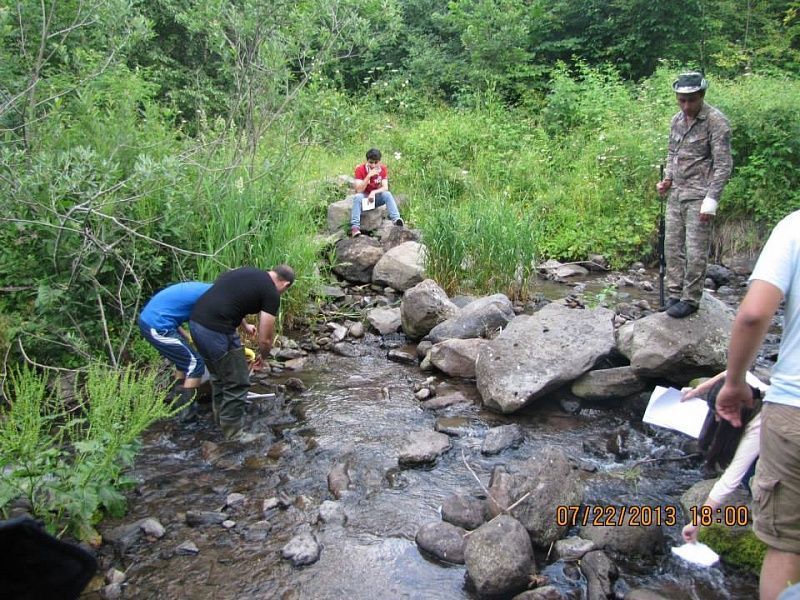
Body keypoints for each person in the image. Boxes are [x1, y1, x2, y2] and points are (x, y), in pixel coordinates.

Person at [714, 209, 800, 600]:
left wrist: (734, 382)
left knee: (787, 548)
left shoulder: (794, 227)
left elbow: (752, 314)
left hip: (793, 407)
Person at [656, 72, 732, 319]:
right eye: (681, 100)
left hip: (700, 195)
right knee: (672, 246)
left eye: (691, 100)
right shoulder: (677, 120)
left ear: (701, 96)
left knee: (696, 250)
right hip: (677, 193)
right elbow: (672, 153)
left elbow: (723, 164)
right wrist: (667, 179)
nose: (686, 106)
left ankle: (691, 299)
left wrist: (712, 199)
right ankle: (674, 293)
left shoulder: (716, 122)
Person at [188, 265, 294, 441]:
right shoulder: (271, 292)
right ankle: (234, 435)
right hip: (215, 331)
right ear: (285, 284)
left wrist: (244, 325)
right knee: (238, 382)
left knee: (219, 377)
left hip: (196, 323)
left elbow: (229, 298)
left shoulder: (247, 271)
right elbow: (265, 338)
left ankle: (220, 422)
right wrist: (263, 357)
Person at [680, 371, 767, 544]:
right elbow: (728, 374)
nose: (717, 419)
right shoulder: (746, 384)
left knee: (748, 471)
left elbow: (730, 480)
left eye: (720, 414)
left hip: (781, 443)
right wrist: (697, 390)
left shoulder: (758, 426)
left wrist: (697, 521)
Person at [138, 281, 212, 420]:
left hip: (152, 320)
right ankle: (187, 414)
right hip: (157, 325)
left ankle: (175, 401)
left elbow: (172, 313)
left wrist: (186, 337)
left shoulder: (203, 289)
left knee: (183, 361)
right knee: (196, 364)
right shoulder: (211, 296)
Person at [350, 148, 404, 237]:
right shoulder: (360, 169)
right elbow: (359, 190)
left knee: (387, 194)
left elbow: (385, 187)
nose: (373, 165)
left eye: (376, 162)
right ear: (367, 161)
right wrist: (368, 176)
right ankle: (355, 227)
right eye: (371, 162)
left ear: (379, 161)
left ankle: (396, 220)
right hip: (364, 198)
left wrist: (374, 192)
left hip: (375, 198)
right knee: (357, 197)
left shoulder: (383, 169)